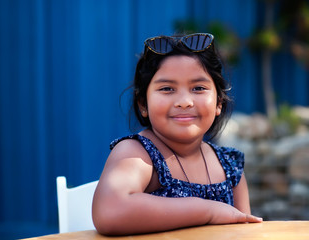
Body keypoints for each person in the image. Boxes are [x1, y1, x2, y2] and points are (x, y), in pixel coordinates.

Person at [92, 33, 262, 235]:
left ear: (218, 103)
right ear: (143, 104)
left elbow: (245, 234)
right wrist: (208, 211)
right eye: (167, 88)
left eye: (198, 88)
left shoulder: (229, 167)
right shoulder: (136, 154)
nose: (184, 101)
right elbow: (110, 211)